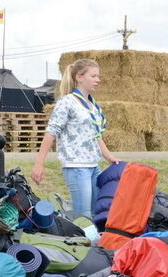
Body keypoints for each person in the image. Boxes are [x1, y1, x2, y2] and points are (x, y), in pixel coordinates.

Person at [31, 58, 119, 219]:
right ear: (79, 77)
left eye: (98, 76)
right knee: (83, 215)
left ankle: (96, 242)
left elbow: (96, 135)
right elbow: (51, 132)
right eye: (93, 76)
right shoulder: (68, 102)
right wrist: (39, 164)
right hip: (77, 166)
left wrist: (108, 156)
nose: (98, 80)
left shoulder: (93, 105)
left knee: (97, 212)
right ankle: (84, 243)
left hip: (94, 166)